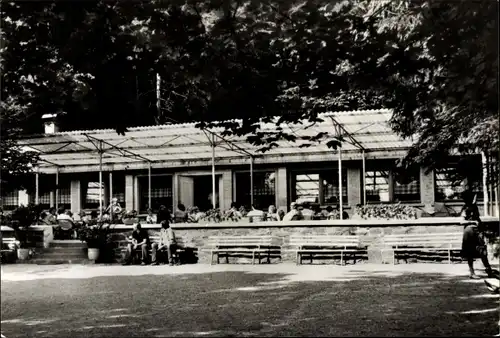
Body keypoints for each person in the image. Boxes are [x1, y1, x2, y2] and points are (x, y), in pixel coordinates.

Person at [461, 202, 494, 279]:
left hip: (477, 232)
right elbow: (461, 221)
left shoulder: (475, 207)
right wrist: (472, 222)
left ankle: (488, 270)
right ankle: (472, 272)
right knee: (470, 253)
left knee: (482, 250)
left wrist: (482, 231)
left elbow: (479, 221)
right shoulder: (465, 208)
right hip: (469, 232)